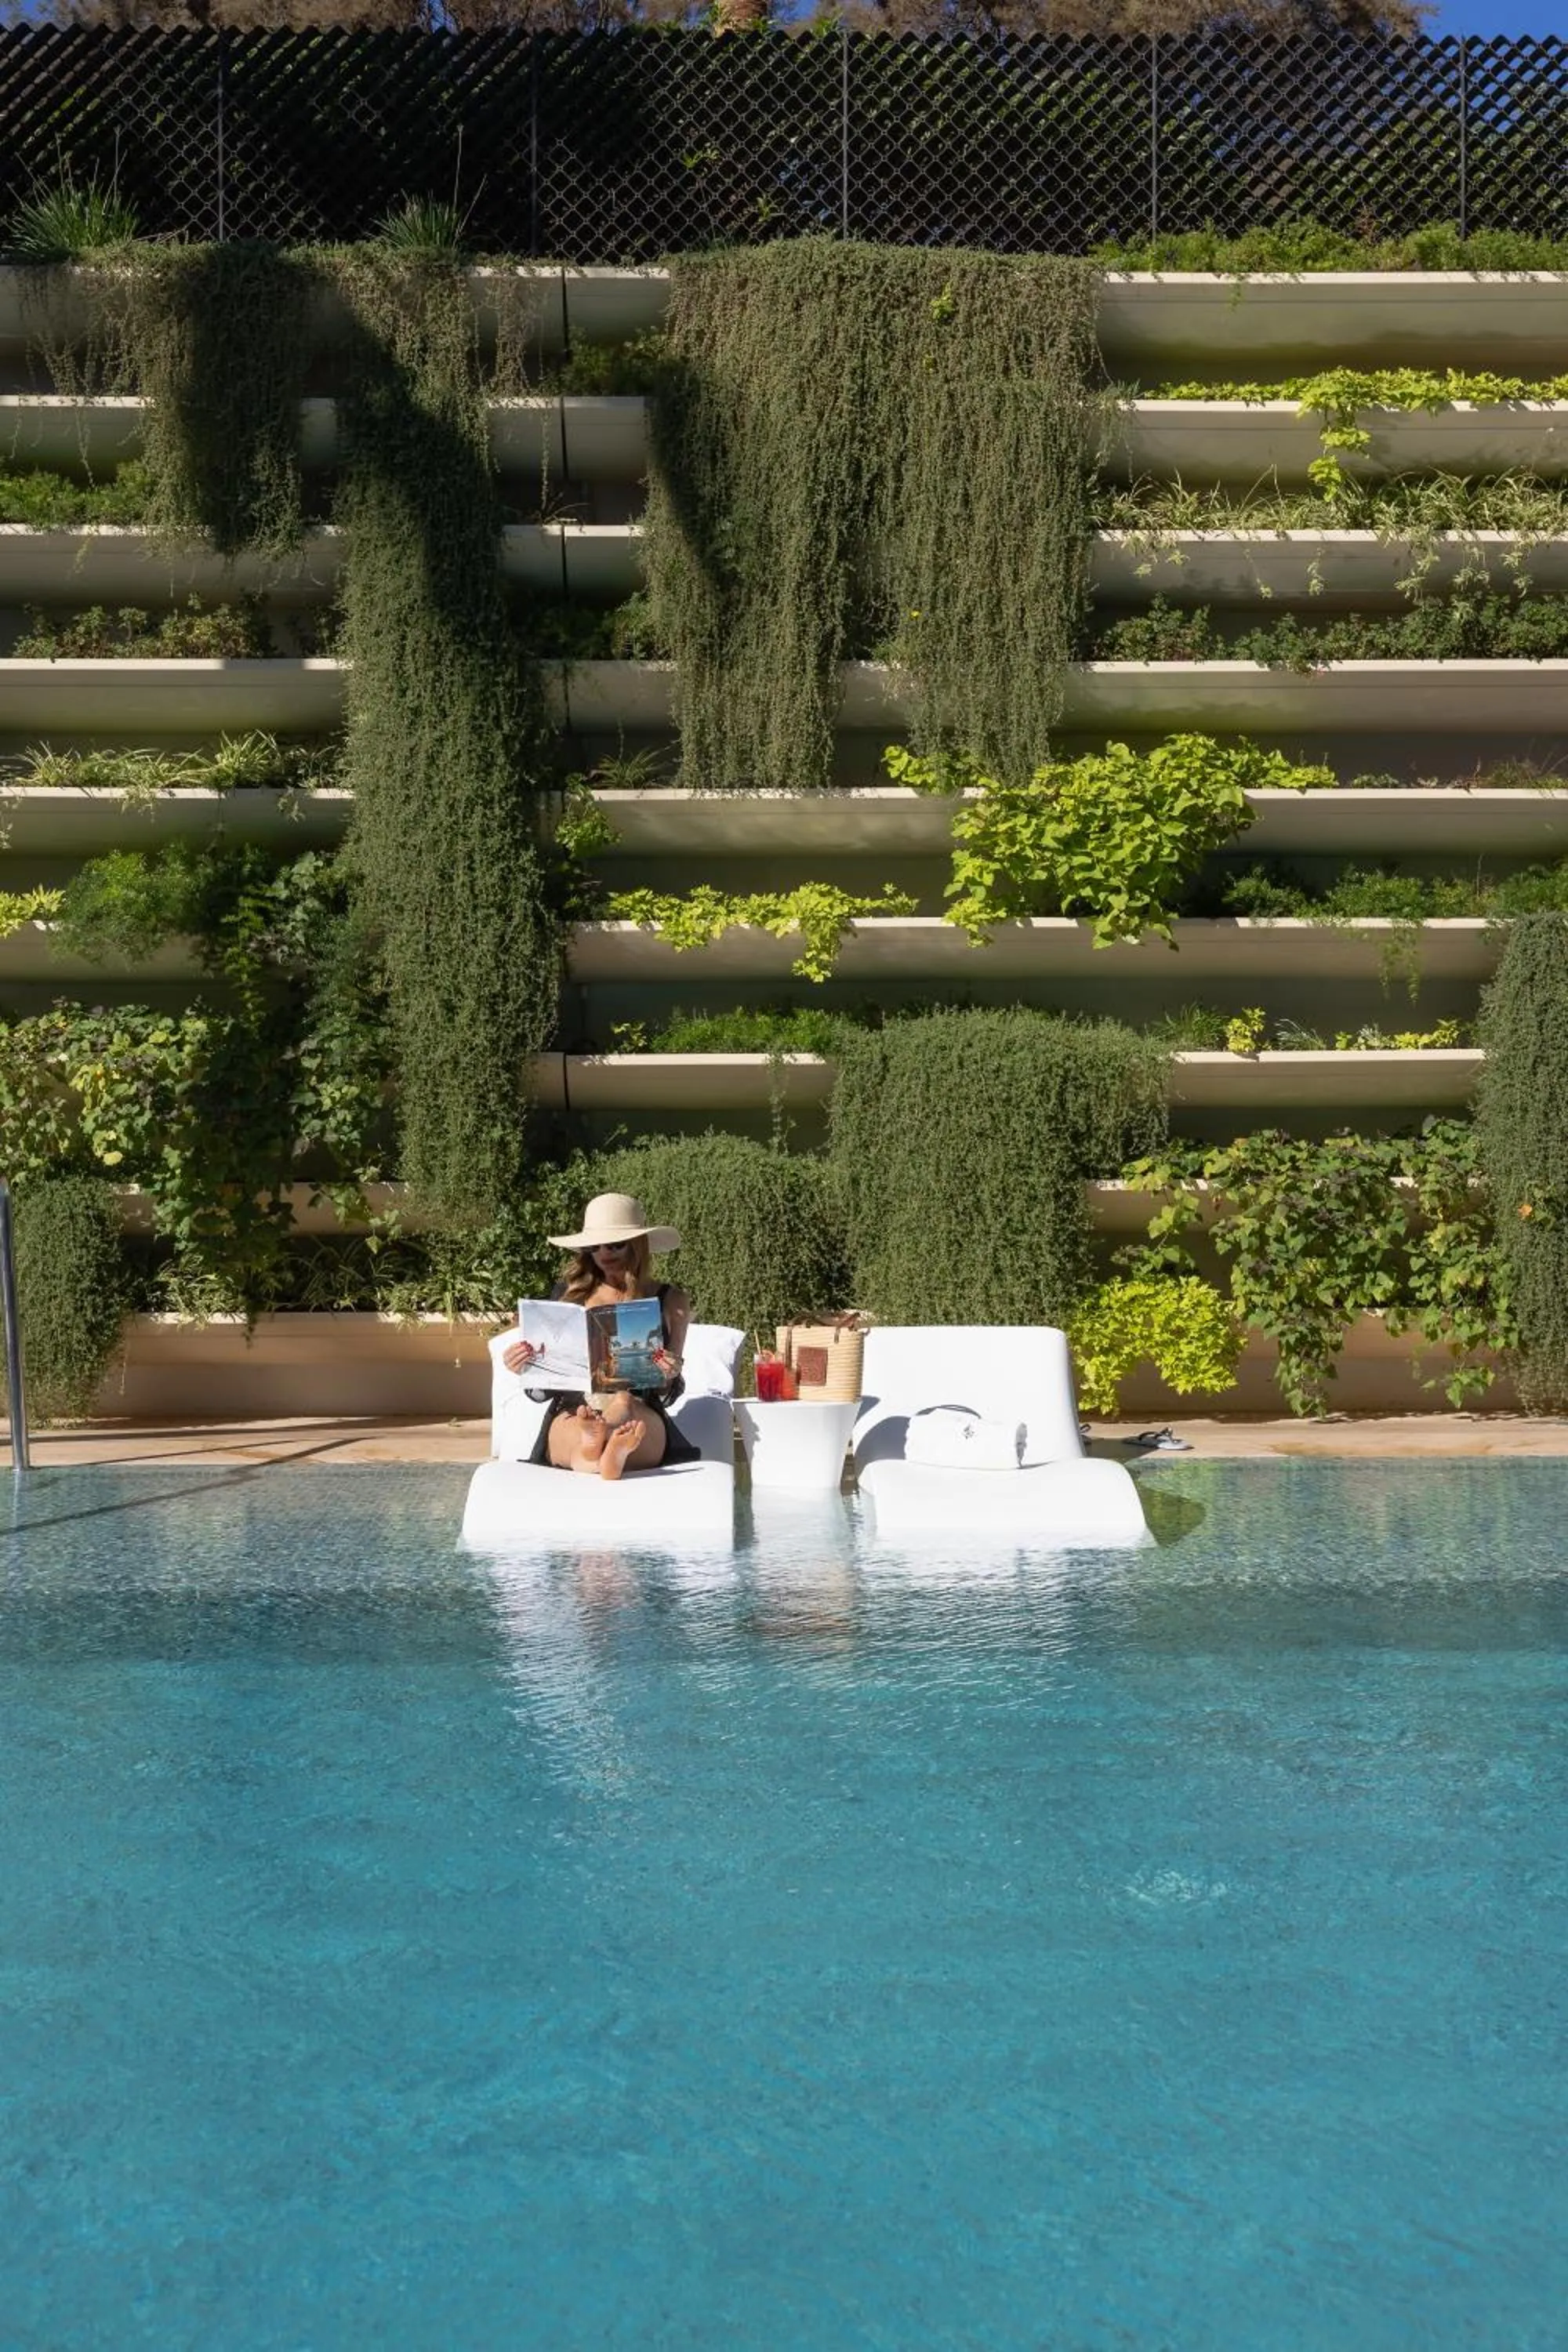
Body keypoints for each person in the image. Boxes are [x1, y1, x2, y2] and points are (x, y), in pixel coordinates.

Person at [503, 1192, 696, 1478]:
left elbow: (666, 1392)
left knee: (625, 1402)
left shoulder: (671, 1301)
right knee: (581, 1424)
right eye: (594, 1246)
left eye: (616, 1245)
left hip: (640, 1410)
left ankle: (598, 1445)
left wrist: (668, 1372)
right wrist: (524, 1364)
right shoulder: (565, 1298)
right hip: (574, 1410)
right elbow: (542, 1390)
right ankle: (603, 1457)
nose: (604, 1254)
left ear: (638, 1246)